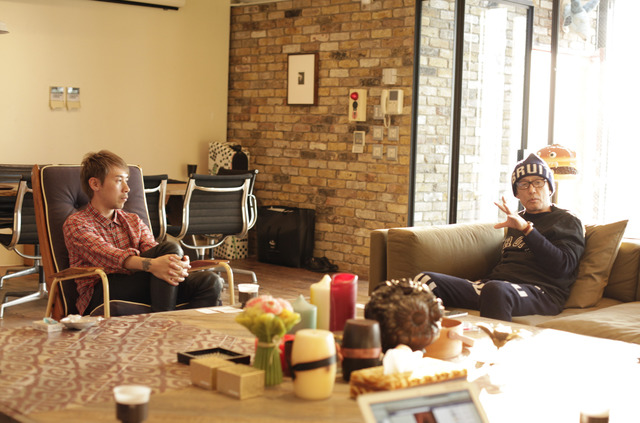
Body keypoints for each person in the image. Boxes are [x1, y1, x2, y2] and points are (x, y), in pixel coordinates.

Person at [413, 153, 585, 321]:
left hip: (542, 293)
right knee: (424, 280)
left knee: (496, 290)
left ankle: (494, 345)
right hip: (497, 287)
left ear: (549, 188)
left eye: (539, 183)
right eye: (524, 184)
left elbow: (564, 266)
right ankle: (422, 343)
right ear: (517, 193)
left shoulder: (567, 220)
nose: (532, 190)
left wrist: (527, 230)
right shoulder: (517, 220)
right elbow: (511, 265)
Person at [63, 150, 223, 316]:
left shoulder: (133, 220)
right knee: (170, 249)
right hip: (103, 289)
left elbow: (153, 250)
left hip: (143, 282)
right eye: (119, 181)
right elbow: (110, 256)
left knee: (210, 281)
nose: (127, 188)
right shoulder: (76, 223)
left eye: (127, 181)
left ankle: (194, 335)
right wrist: (156, 263)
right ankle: (164, 321)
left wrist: (177, 264)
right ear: (95, 184)